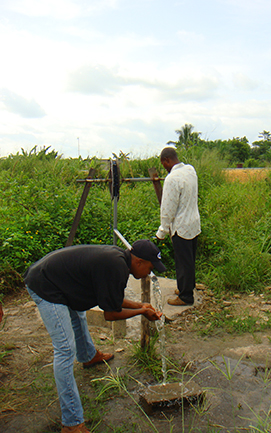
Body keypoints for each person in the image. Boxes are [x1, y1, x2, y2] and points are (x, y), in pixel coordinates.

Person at [24, 239, 166, 433]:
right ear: (139, 262)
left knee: (78, 316)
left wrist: (141, 306)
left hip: (59, 281)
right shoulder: (116, 267)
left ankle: (88, 356)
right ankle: (71, 423)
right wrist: (141, 311)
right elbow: (111, 313)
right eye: (150, 268)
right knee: (65, 350)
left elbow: (110, 298)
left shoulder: (119, 260)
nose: (149, 273)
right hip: (45, 285)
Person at [156, 147, 201, 306]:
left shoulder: (172, 178)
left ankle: (185, 296)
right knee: (190, 259)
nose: (165, 168)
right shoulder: (190, 170)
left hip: (181, 227)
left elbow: (168, 208)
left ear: (167, 160)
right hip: (194, 223)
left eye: (164, 165)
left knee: (183, 262)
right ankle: (188, 286)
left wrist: (162, 231)